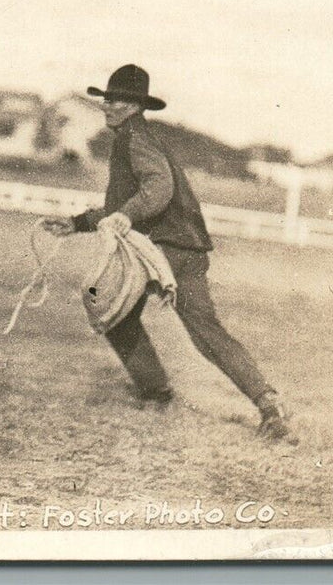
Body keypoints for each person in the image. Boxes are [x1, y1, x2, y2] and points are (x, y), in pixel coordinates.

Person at [40, 64, 294, 442]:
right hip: (182, 248)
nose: (107, 105)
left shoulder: (133, 139)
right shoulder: (140, 136)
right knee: (198, 329)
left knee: (112, 309)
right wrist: (77, 223)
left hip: (164, 251)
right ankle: (267, 403)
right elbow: (127, 202)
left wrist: (127, 215)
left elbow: (158, 188)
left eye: (115, 100)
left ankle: (158, 393)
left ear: (133, 106)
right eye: (106, 99)